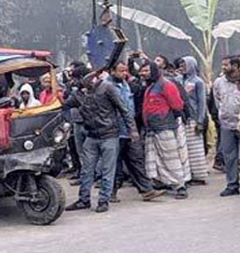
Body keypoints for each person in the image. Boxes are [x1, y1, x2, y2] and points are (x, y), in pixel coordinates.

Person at [65, 72, 138, 213]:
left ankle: (103, 200)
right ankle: (84, 199)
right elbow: (64, 106)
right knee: (87, 169)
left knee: (107, 170)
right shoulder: (80, 94)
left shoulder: (107, 88)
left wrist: (132, 130)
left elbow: (124, 109)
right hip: (93, 135)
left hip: (108, 134)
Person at [110, 62, 164, 202]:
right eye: (121, 70)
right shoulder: (107, 87)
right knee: (114, 164)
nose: (124, 73)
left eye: (126, 71)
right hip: (114, 131)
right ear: (112, 71)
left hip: (130, 130)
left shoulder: (128, 86)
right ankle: (111, 192)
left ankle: (146, 190)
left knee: (136, 160)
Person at [141, 61, 190, 199]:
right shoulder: (151, 87)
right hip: (152, 128)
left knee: (171, 157)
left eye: (146, 71)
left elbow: (177, 105)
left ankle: (180, 186)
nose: (143, 74)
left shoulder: (167, 85)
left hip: (165, 127)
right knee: (156, 158)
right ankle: (163, 182)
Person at [214, 55, 240, 197]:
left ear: (237, 66)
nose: (223, 68)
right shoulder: (219, 82)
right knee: (229, 156)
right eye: (223, 65)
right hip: (226, 124)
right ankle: (232, 185)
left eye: (226, 65)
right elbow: (217, 100)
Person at [181, 56, 209, 185]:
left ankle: (199, 175)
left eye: (185, 65)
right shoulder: (179, 80)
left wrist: (200, 121)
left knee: (196, 149)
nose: (183, 68)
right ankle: (188, 175)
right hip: (183, 118)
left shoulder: (198, 82)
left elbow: (202, 102)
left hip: (193, 118)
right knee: (185, 148)